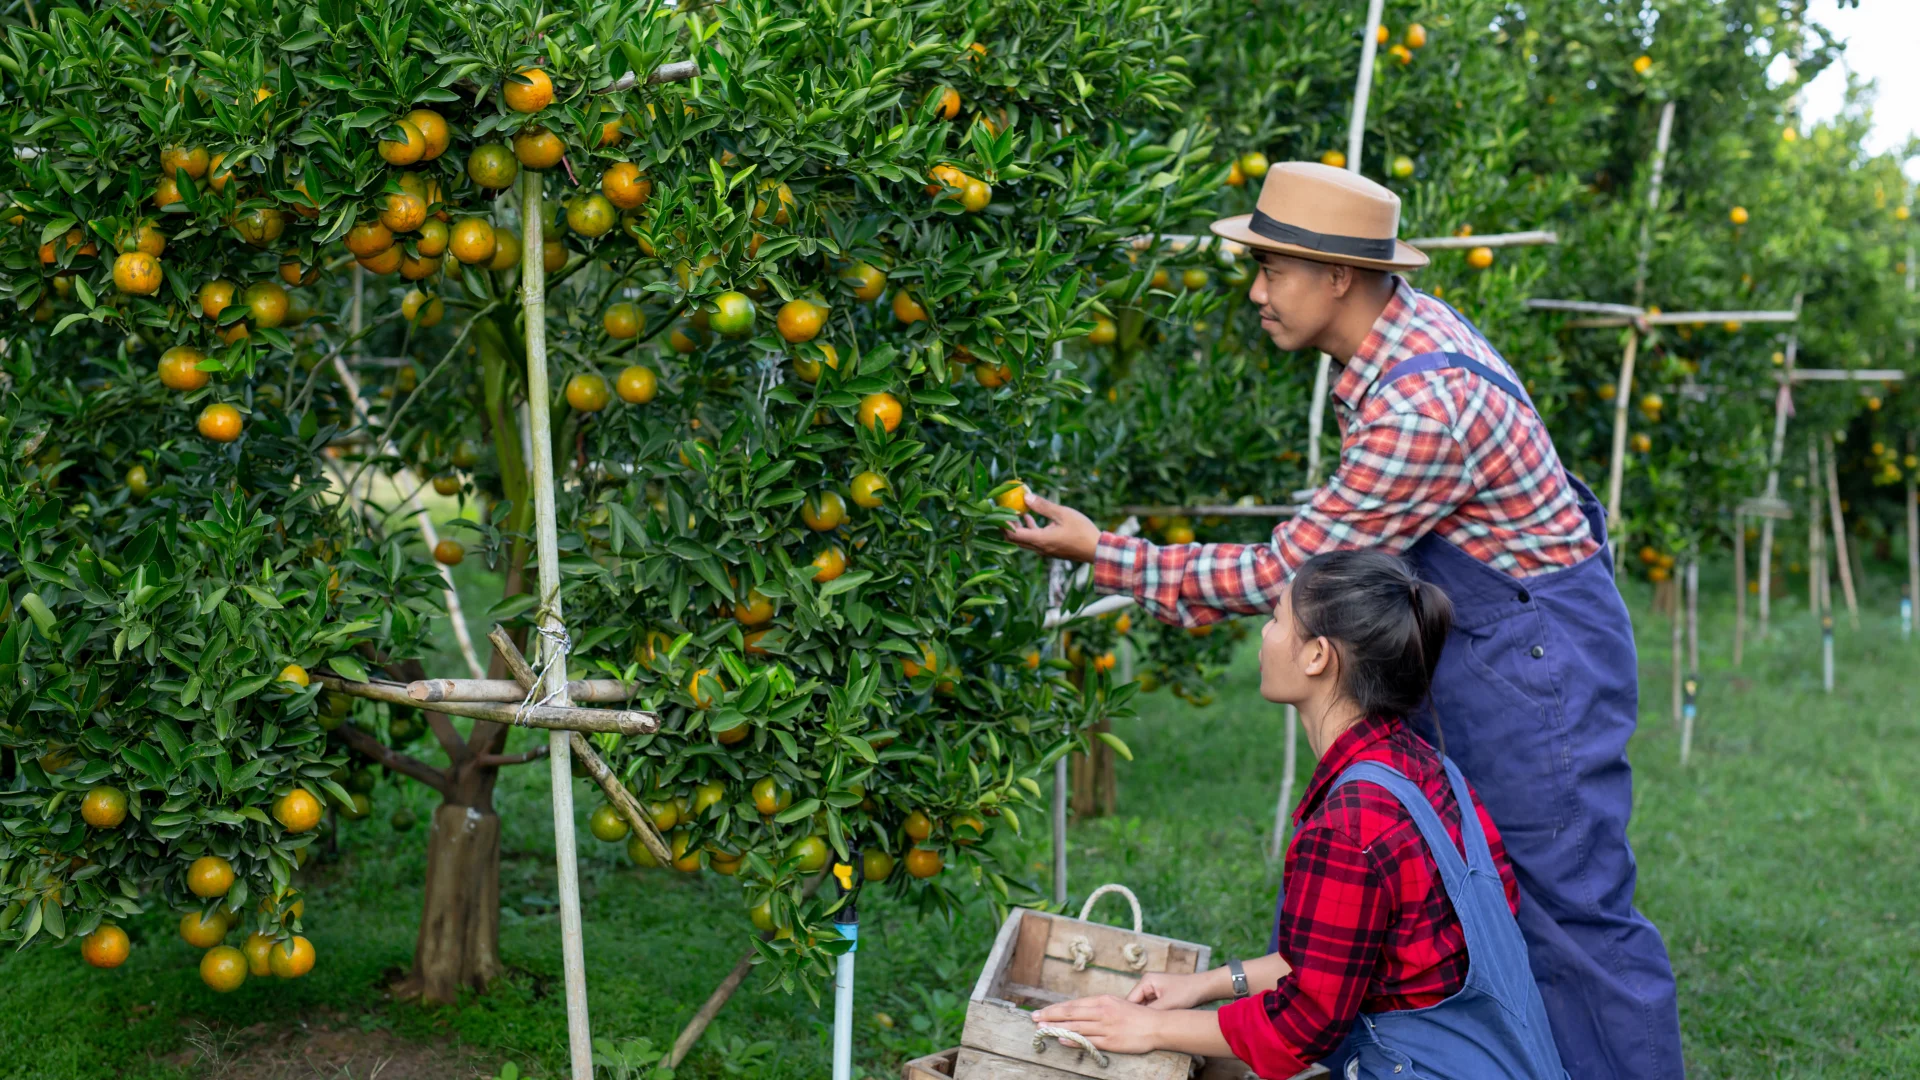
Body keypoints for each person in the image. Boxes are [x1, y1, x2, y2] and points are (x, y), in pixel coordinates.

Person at [1008, 162, 1683, 1078]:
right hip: (1501, 640)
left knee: (1575, 915)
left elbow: (1289, 573)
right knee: (1485, 902)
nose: (1255, 291)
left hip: (1533, 664)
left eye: (1273, 269)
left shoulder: (1419, 408)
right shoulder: (1404, 338)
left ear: (1338, 277)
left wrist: (1107, 554)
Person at [1035, 550, 1565, 1079]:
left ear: (1316, 656)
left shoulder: (1348, 825)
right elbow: (1357, 949)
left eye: (1277, 619)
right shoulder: (1432, 771)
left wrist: (1146, 1027)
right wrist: (1210, 983)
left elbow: (1301, 1028)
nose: (1264, 636)